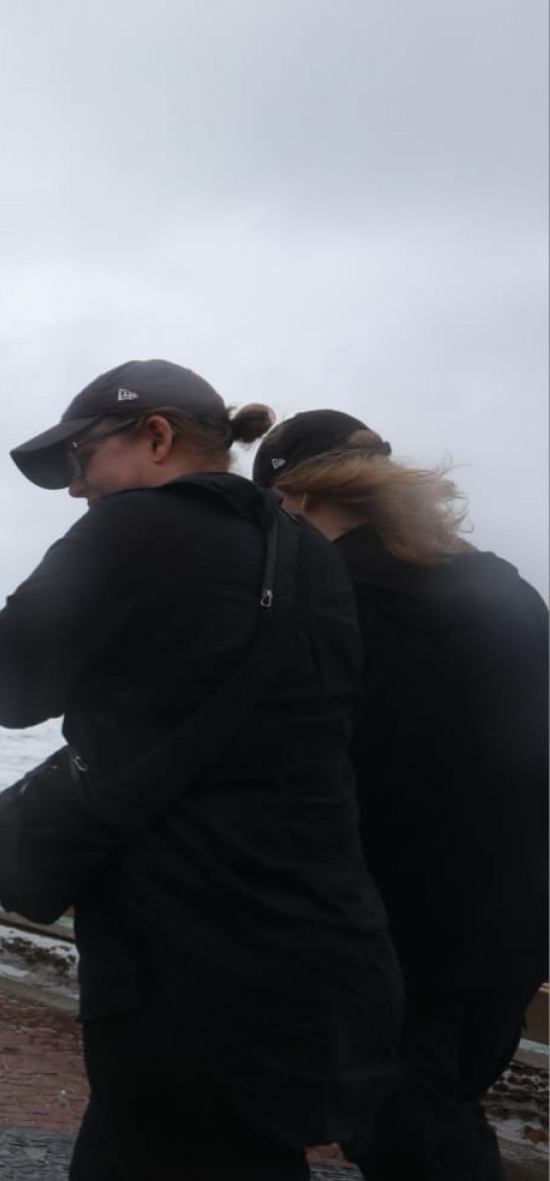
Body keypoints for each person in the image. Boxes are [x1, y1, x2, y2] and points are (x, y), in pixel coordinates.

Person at [0, 359, 402, 1180]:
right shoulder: (309, 552)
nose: (74, 488)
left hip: (177, 949)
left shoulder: (131, 530)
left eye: (81, 459)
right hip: (309, 932)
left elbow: (2, 685)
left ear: (156, 436)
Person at [255, 410, 549, 1181]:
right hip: (512, 910)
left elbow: (300, 765)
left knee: (410, 1131)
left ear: (299, 498)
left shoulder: (331, 598)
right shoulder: (506, 587)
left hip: (395, 920)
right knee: (442, 1100)